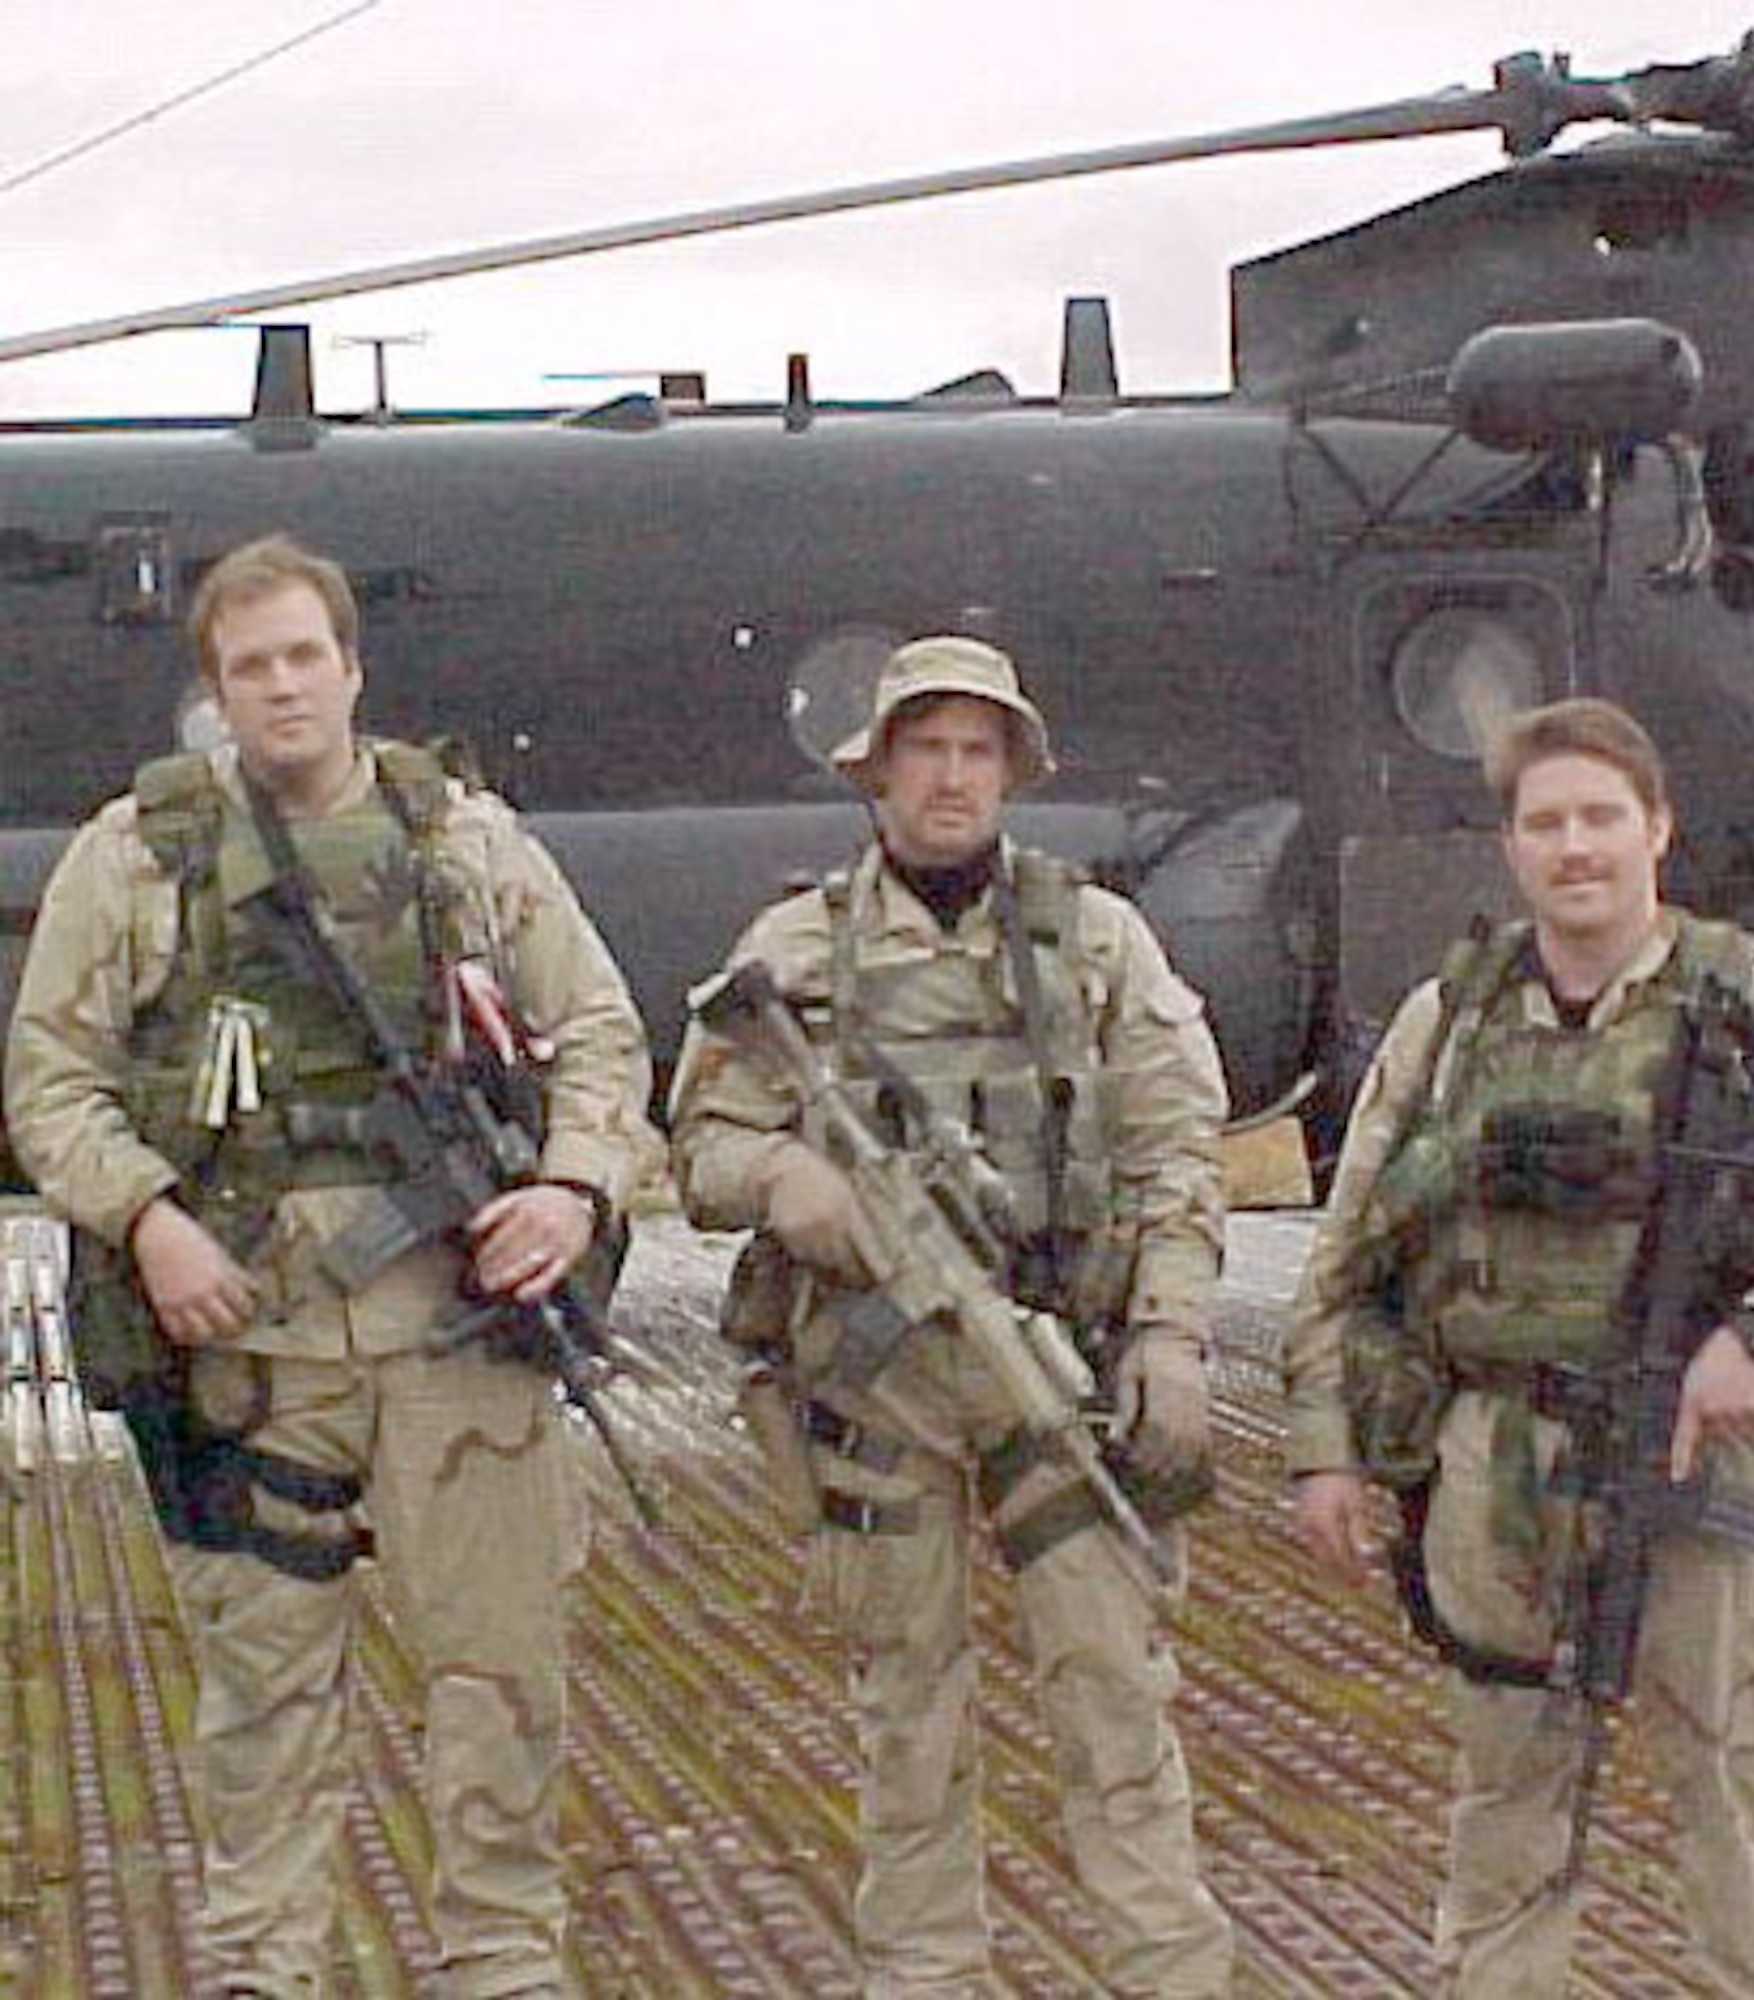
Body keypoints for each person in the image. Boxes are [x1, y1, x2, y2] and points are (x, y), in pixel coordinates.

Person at [5, 534, 657, 2000]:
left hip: (460, 1338)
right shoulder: (142, 856)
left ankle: (499, 1961)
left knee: (499, 1683)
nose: (284, 687)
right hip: (255, 1356)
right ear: (215, 694)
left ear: (352, 670)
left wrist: (568, 1189)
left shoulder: (464, 844)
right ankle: (262, 1964)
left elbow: (602, 1036)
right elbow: (51, 1077)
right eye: (252, 667)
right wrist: (150, 1217)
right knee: (261, 1698)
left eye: (306, 657)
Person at [1283, 696, 1754, 1999]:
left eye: (1600, 818)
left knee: (1737, 1806)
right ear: (1509, 846)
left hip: (1699, 1468)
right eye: (1545, 822)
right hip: (1492, 1472)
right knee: (1507, 1812)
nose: (1575, 848)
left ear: (1654, 831)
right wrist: (1325, 1454)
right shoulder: (1446, 1024)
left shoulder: (1751, 1016)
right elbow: (1346, 1252)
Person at [668, 635, 1234, 1999]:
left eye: (976, 751)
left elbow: (1177, 1147)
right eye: (924, 748)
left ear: (1010, 773)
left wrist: (1166, 1333)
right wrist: (783, 1175)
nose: (950, 778)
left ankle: (1168, 1972)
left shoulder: (1093, 940)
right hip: (874, 1393)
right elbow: (696, 1146)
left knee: (1112, 1691)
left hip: (1058, 1376)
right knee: (905, 1709)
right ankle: (923, 1975)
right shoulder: (794, 949)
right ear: (877, 773)